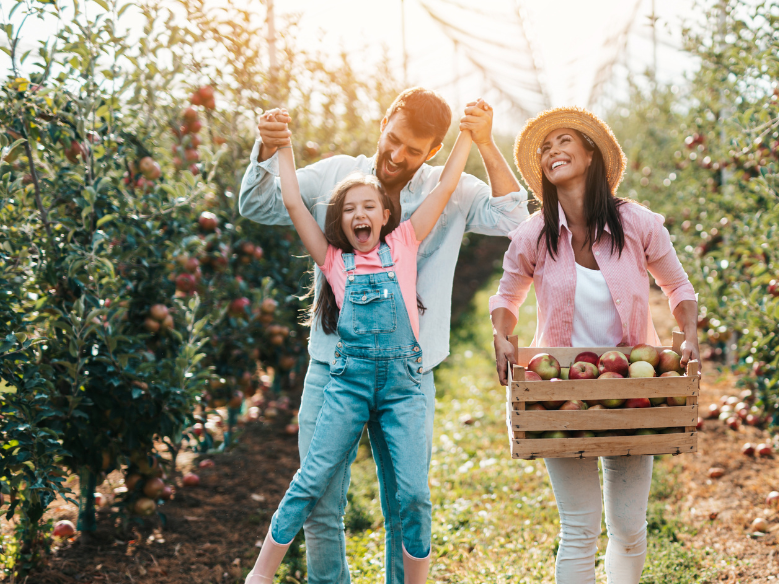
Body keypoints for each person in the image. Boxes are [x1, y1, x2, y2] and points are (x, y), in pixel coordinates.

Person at [238, 88, 528, 584]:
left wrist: (481, 141)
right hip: (335, 367)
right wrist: (270, 146)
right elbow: (261, 202)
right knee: (321, 501)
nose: (396, 155)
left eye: (412, 150)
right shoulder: (336, 177)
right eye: (392, 139)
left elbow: (513, 219)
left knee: (406, 501)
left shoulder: (448, 189)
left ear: (432, 151)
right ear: (383, 122)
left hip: (409, 373)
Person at [488, 107, 700, 583]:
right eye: (544, 148)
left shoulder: (638, 223)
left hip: (631, 389)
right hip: (562, 390)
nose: (552, 151)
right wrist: (502, 335)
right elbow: (506, 295)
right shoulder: (534, 234)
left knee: (627, 528)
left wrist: (689, 334)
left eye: (563, 141)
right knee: (580, 527)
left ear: (590, 154)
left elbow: (679, 288)